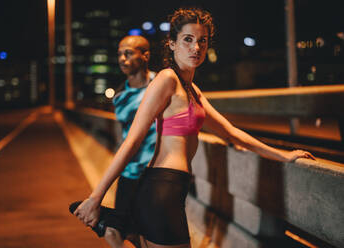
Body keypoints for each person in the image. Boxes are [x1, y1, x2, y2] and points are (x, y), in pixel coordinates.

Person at [73, 7, 315, 248]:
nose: (196, 48)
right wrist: (96, 197)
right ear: (171, 44)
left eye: (202, 41)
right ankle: (108, 219)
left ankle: (112, 222)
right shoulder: (166, 80)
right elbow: (132, 141)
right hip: (161, 188)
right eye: (187, 40)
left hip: (174, 189)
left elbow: (231, 133)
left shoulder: (193, 91)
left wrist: (283, 155)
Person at [106, 35, 157, 248]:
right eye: (119, 54)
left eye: (128, 53)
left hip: (154, 172)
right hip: (129, 173)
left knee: (148, 234)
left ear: (145, 55)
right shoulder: (119, 95)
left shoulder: (160, 84)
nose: (122, 59)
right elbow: (123, 135)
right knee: (115, 232)